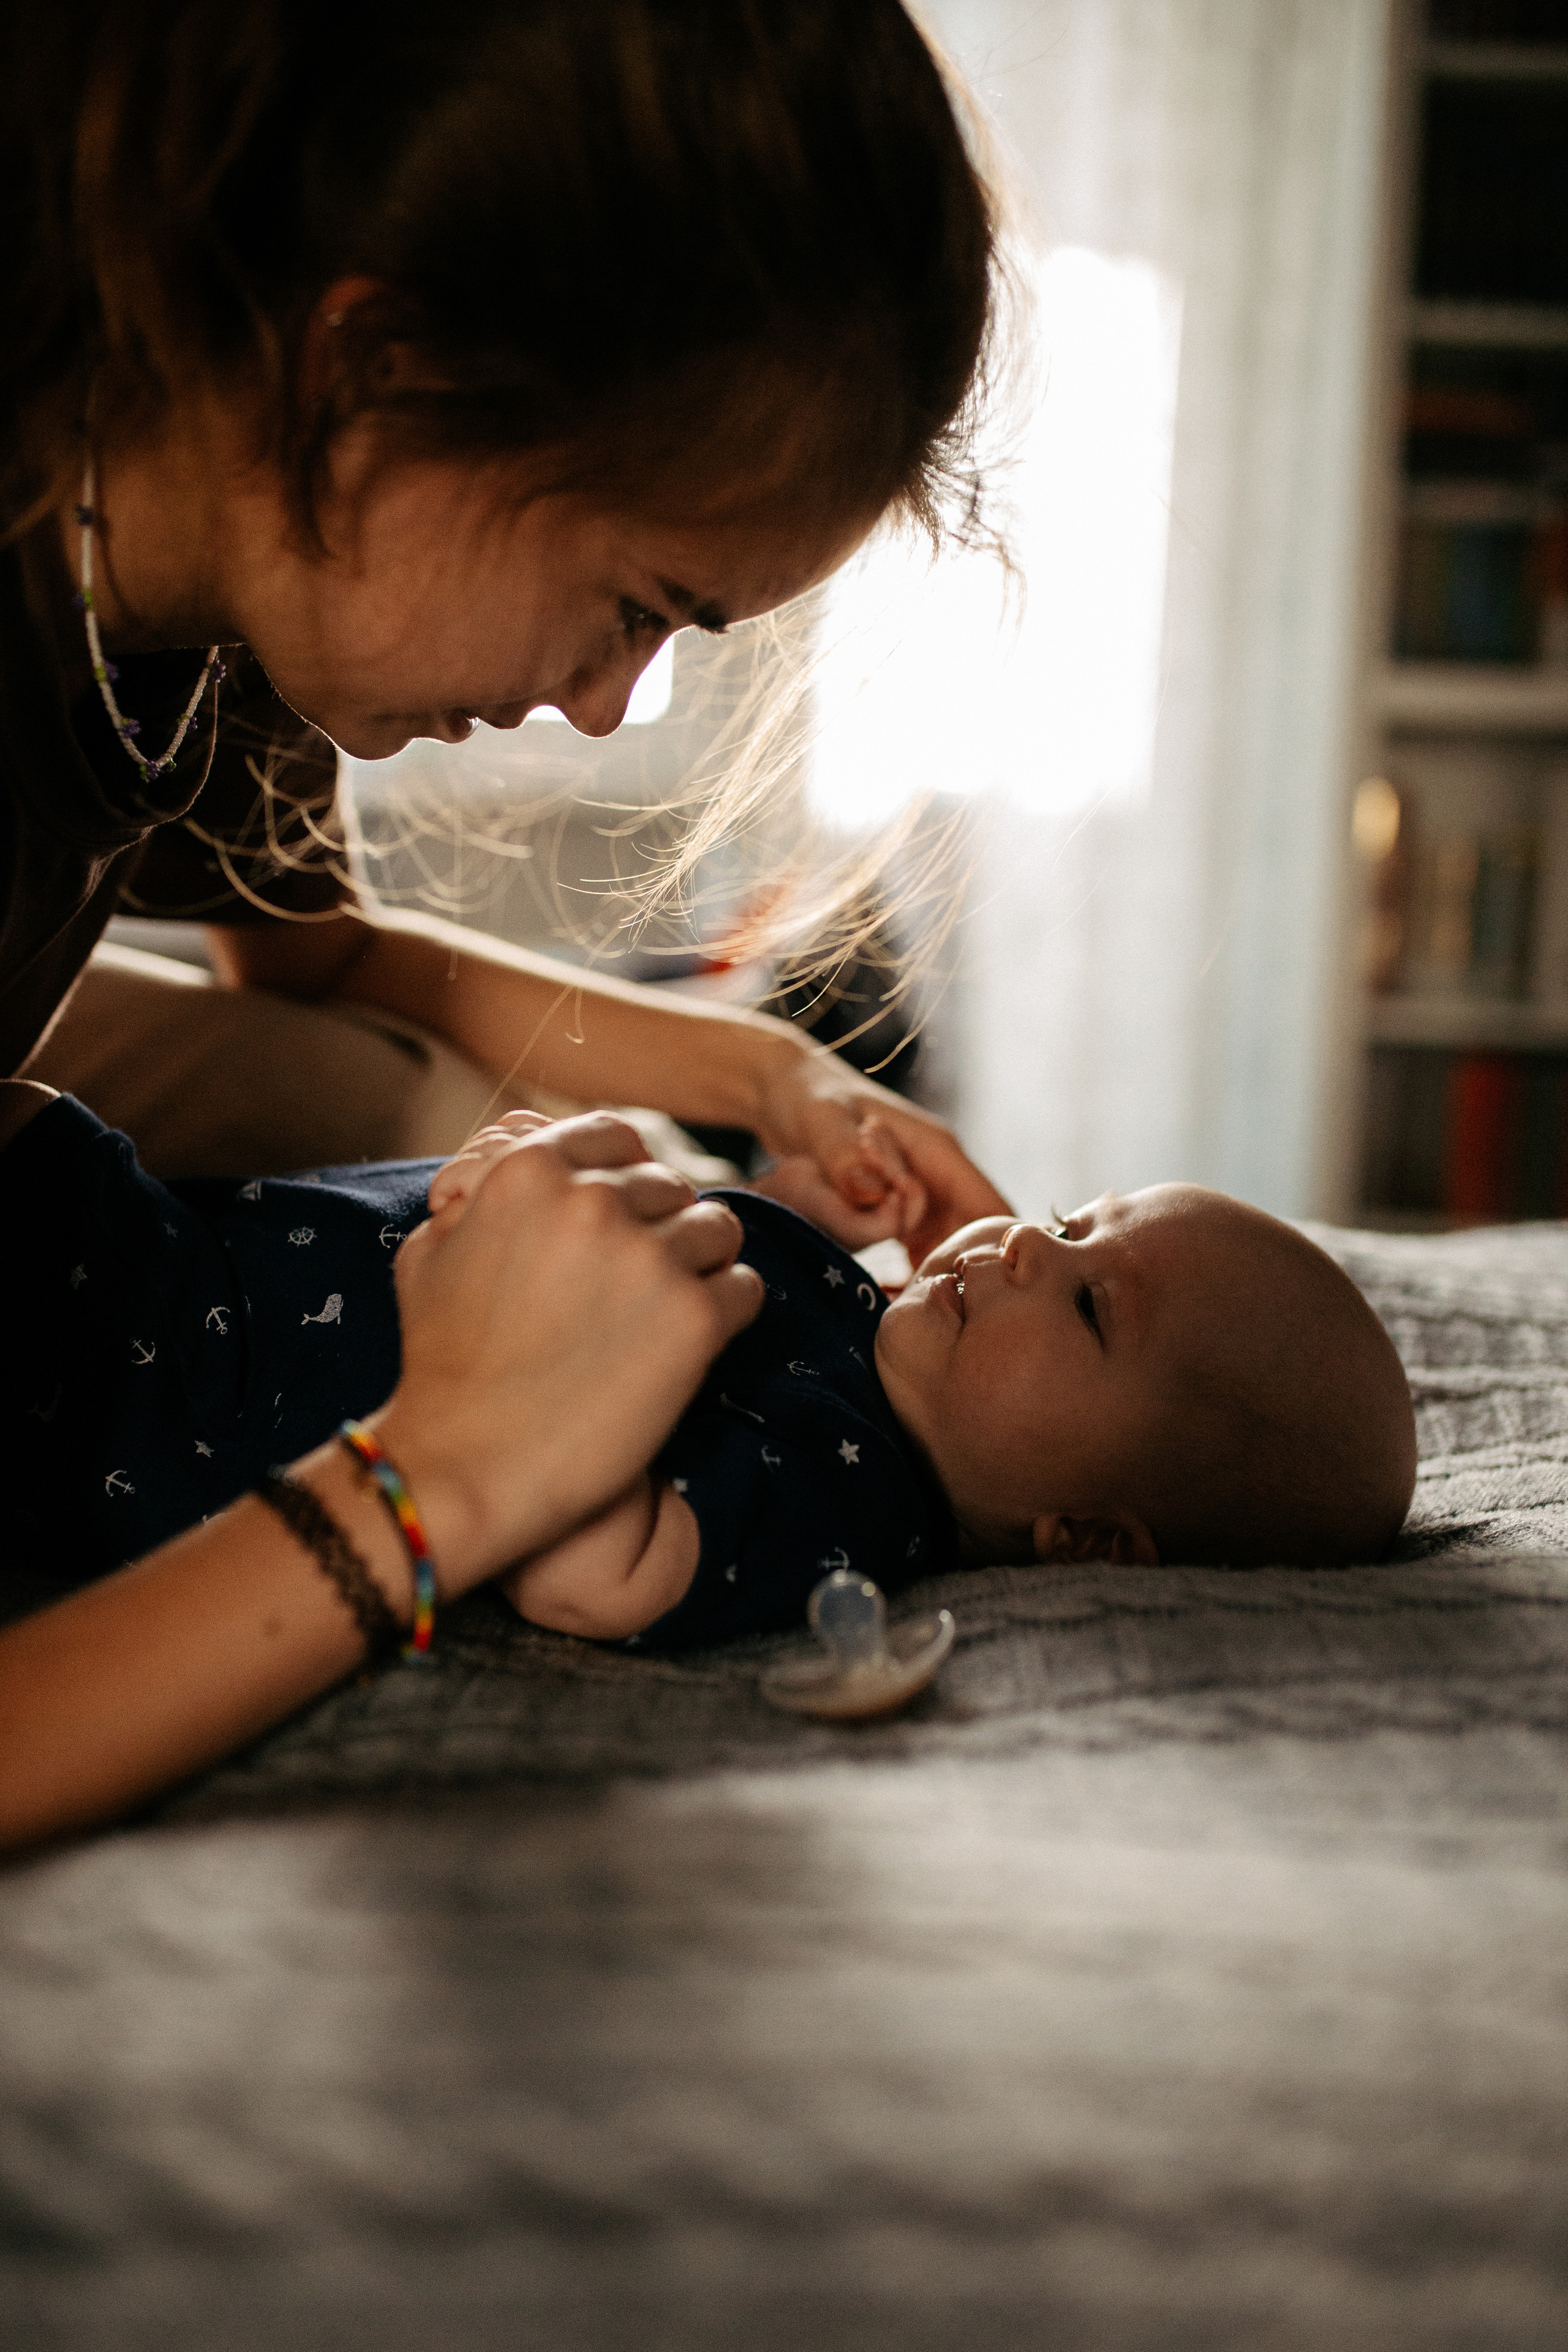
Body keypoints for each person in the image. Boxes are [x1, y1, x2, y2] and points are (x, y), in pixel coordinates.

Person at [0, 0, 1012, 1849]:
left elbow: (315, 957)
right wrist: (441, 1473)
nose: (617, 703)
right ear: (374, 372)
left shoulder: (190, 542)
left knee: (378, 1081)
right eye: (639, 603)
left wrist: (761, 1078)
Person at [2, 1095, 1415, 1681]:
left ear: (1089, 1538)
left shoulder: (843, 1499)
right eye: (1083, 1216)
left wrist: (503, 1315)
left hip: (154, 1401)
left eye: (1096, 1303)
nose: (1036, 1242)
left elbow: (595, 1576)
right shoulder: (863, 1320)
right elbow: (710, 1247)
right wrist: (782, 1193)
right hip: (171, 1242)